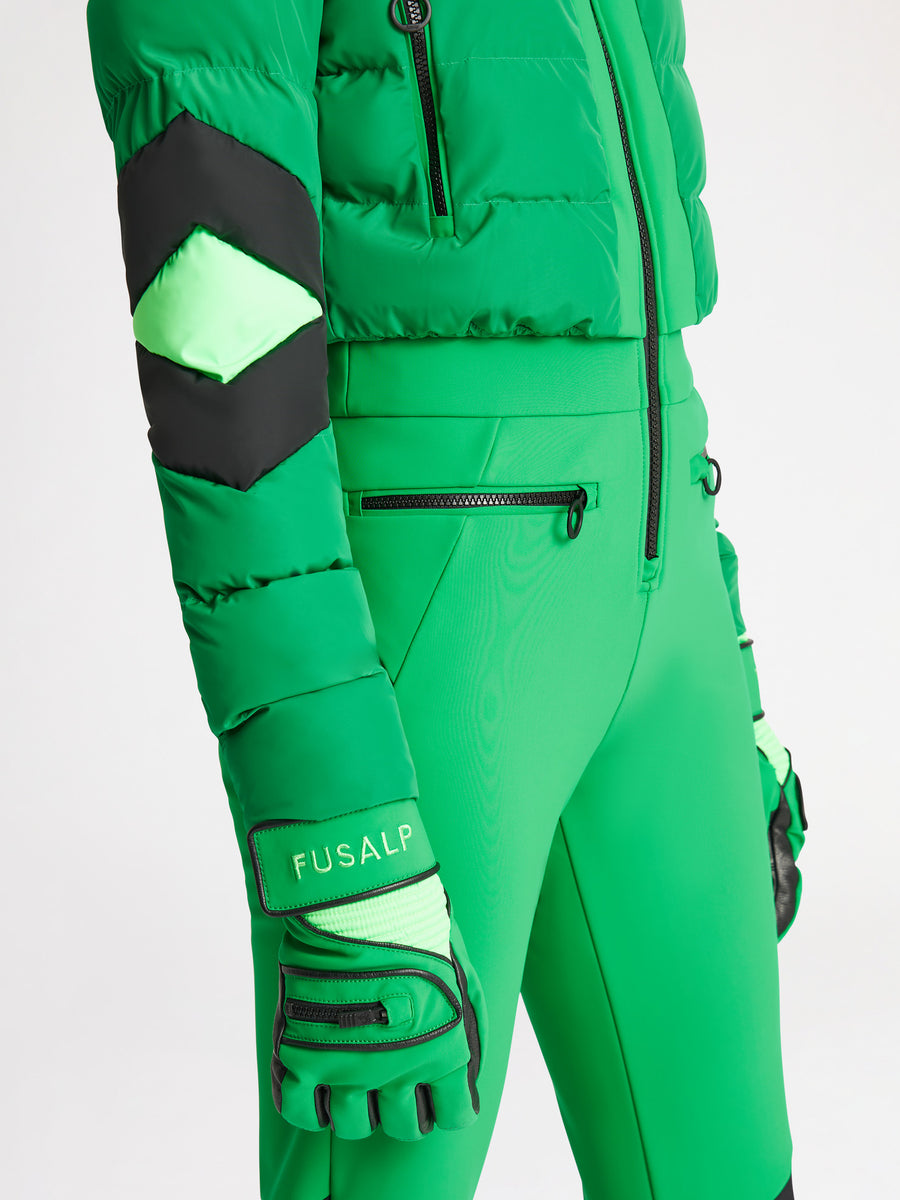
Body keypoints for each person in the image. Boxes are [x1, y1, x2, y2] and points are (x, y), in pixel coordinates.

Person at [85, 1, 808, 1197]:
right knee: (390, 1144)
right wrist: (329, 820)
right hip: (441, 616)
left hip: (662, 581)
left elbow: (646, 332)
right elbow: (221, 335)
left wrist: (728, 656)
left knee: (735, 1172)